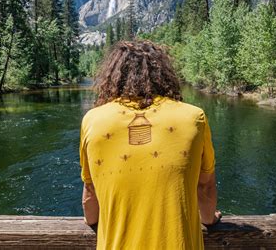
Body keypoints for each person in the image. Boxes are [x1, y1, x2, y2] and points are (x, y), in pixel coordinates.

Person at [79, 40, 221, 249]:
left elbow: (90, 192)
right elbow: (205, 185)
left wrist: (92, 220)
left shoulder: (93, 120)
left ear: (113, 77)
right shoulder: (193, 118)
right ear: (163, 75)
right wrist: (208, 219)